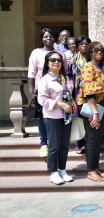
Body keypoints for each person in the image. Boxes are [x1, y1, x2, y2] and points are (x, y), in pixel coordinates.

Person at [37, 51, 75, 185]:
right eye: (53, 60)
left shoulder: (65, 78)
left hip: (66, 116)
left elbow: (69, 94)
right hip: (52, 116)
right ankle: (53, 172)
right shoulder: (45, 80)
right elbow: (41, 99)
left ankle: (62, 169)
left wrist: (71, 103)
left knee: (64, 146)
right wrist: (59, 104)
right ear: (48, 63)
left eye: (59, 60)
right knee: (53, 145)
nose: (56, 62)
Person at [76, 42, 104, 182]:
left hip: (102, 109)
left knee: (98, 140)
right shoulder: (88, 67)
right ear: (90, 52)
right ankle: (90, 171)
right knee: (91, 140)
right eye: (96, 50)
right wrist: (95, 112)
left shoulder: (101, 68)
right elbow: (88, 92)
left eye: (101, 50)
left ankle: (96, 167)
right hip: (94, 109)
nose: (99, 52)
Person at [28, 28, 66, 157]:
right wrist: (31, 90)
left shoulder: (60, 54)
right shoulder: (36, 53)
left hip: (58, 90)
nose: (48, 38)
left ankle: (55, 142)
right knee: (43, 117)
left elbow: (65, 71)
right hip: (41, 90)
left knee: (56, 118)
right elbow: (32, 73)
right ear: (41, 39)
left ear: (55, 38)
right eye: (45, 36)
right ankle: (44, 143)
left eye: (50, 36)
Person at [68, 35, 91, 154]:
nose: (83, 46)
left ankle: (90, 143)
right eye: (81, 44)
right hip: (77, 92)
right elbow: (69, 76)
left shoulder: (92, 59)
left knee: (90, 117)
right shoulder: (73, 60)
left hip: (90, 92)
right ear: (77, 46)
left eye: (86, 44)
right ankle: (79, 144)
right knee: (78, 118)